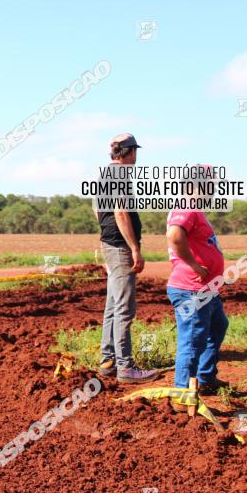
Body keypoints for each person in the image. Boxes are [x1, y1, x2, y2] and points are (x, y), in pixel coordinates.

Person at [97, 133, 159, 383]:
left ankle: (108, 360)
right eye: (135, 151)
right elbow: (121, 212)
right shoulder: (120, 176)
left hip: (110, 244)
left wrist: (105, 241)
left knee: (113, 305)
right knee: (124, 308)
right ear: (130, 151)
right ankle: (126, 368)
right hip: (120, 247)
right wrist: (134, 248)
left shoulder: (104, 174)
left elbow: (97, 210)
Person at [166, 167, 228, 391]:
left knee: (218, 326)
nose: (213, 190)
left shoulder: (195, 209)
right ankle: (182, 391)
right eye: (210, 184)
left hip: (206, 289)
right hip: (191, 288)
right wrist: (193, 265)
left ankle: (205, 378)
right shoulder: (187, 206)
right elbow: (174, 235)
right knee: (192, 341)